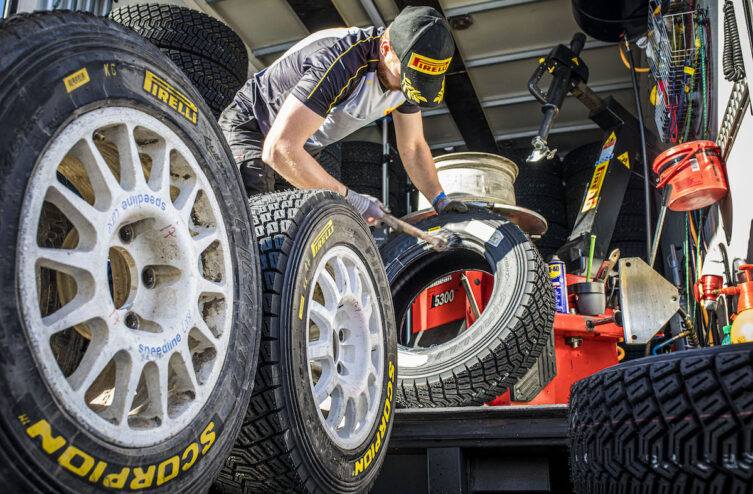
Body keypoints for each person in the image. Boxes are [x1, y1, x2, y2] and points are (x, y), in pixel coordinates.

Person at [218, 6, 468, 224]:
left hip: (302, 147)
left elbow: (412, 147)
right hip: (254, 128)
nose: (406, 88)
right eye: (405, 78)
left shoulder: (407, 81)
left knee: (296, 233)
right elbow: (280, 148)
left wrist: (440, 200)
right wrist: (353, 201)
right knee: (256, 222)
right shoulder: (341, 60)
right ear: (385, 47)